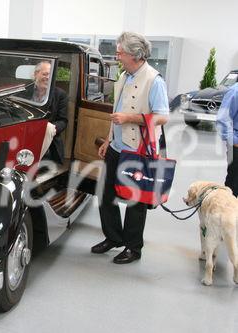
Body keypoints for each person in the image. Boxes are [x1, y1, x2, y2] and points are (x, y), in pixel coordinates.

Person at [92, 32, 169, 264]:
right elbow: (116, 112)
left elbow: (162, 117)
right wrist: (107, 140)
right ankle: (113, 237)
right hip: (116, 146)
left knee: (136, 201)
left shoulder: (154, 80)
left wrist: (129, 118)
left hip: (138, 150)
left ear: (134, 55)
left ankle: (133, 248)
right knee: (105, 195)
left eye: (120, 52)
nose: (117, 56)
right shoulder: (123, 76)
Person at [30, 61, 68, 164]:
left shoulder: (60, 94)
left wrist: (50, 128)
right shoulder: (25, 91)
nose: (47, 77)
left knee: (48, 127)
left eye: (50, 75)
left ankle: (33, 164)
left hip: (46, 134)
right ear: (35, 74)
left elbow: (63, 121)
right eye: (45, 74)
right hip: (26, 129)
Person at [216, 82, 238, 196]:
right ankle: (228, 212)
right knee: (233, 185)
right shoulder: (235, 91)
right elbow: (223, 119)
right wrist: (234, 141)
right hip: (236, 146)